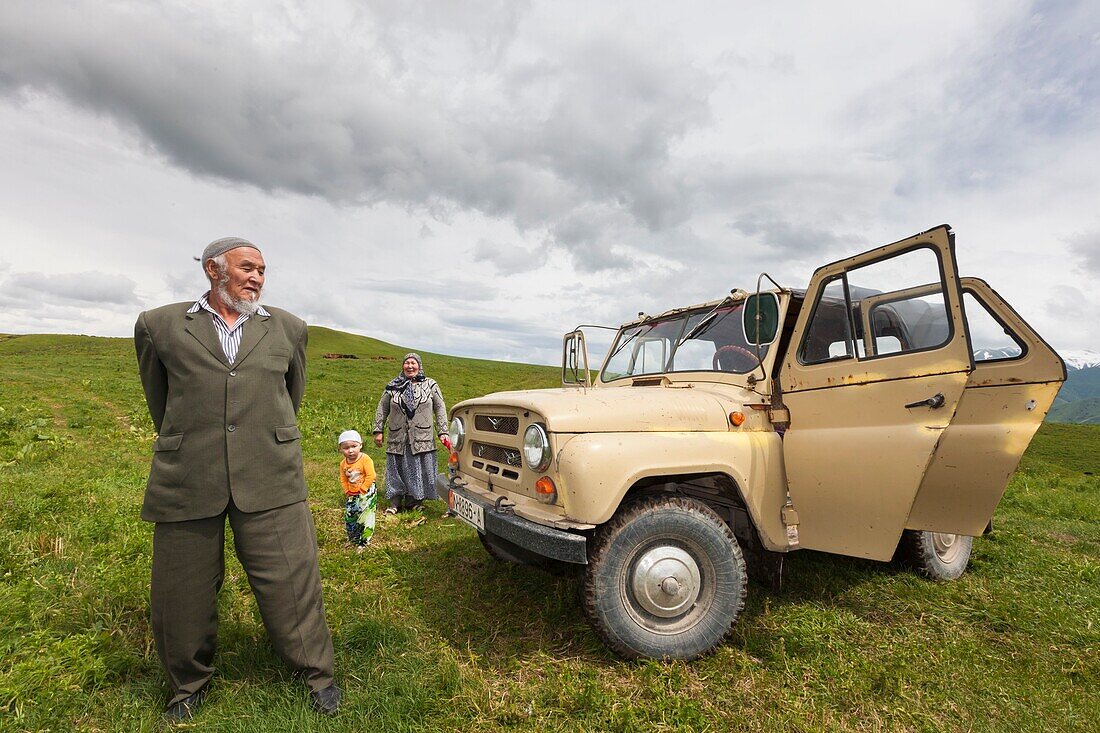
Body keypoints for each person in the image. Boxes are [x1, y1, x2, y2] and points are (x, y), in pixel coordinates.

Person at [134, 237, 341, 722]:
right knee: (181, 590)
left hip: (270, 474)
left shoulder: (289, 329)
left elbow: (291, 397)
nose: (257, 278)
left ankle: (317, 676)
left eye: (262, 270)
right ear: (213, 269)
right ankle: (187, 684)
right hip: (188, 475)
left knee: (293, 582)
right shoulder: (159, 325)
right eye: (247, 267)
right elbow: (159, 403)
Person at [372, 353, 448, 514]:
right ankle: (395, 502)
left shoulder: (431, 385)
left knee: (417, 468)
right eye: (407, 363)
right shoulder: (393, 386)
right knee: (396, 468)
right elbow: (382, 408)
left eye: (413, 363)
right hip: (397, 435)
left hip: (422, 436)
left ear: (419, 366)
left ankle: (415, 501)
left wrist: (443, 431)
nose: (410, 366)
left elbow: (440, 407)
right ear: (403, 366)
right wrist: (378, 430)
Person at [337, 429, 377, 550]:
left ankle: (364, 542)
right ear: (340, 449)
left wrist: (363, 488)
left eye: (354, 446)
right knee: (350, 515)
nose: (350, 450)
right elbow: (343, 478)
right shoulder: (343, 463)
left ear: (360, 445)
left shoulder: (365, 459)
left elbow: (371, 475)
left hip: (367, 492)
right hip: (352, 493)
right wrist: (346, 490)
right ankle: (353, 539)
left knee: (366, 516)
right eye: (346, 448)